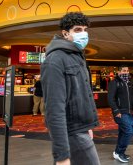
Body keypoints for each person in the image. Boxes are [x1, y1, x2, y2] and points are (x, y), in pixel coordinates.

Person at [41, 12, 100, 165]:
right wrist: (62, 156)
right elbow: (54, 110)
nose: (84, 34)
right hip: (71, 132)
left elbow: (82, 95)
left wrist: (87, 126)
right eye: (78, 30)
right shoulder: (54, 60)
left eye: (85, 29)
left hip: (81, 129)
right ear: (65, 33)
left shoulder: (77, 56)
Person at [107, 66, 133, 163]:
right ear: (119, 72)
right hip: (121, 112)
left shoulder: (129, 82)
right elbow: (110, 99)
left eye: (128, 70)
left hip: (130, 112)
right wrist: (116, 111)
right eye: (124, 71)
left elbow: (131, 97)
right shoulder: (114, 82)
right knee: (128, 131)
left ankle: (117, 152)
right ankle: (120, 153)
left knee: (129, 131)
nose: (126, 72)